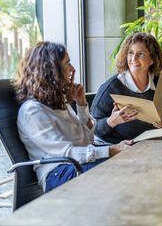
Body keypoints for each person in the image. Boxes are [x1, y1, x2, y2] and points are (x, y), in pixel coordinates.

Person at [14, 42, 132, 192]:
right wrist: (111, 150)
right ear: (51, 71)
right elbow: (67, 153)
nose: (72, 69)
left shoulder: (58, 102)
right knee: (124, 172)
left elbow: (87, 141)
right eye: (67, 64)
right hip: (59, 173)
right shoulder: (32, 111)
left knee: (131, 164)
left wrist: (81, 104)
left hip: (77, 165)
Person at [91, 32, 162, 144]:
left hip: (151, 143)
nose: (134, 59)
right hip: (118, 148)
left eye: (141, 54)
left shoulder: (159, 82)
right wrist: (111, 121)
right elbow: (92, 127)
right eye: (130, 53)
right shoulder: (111, 87)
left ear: (152, 59)